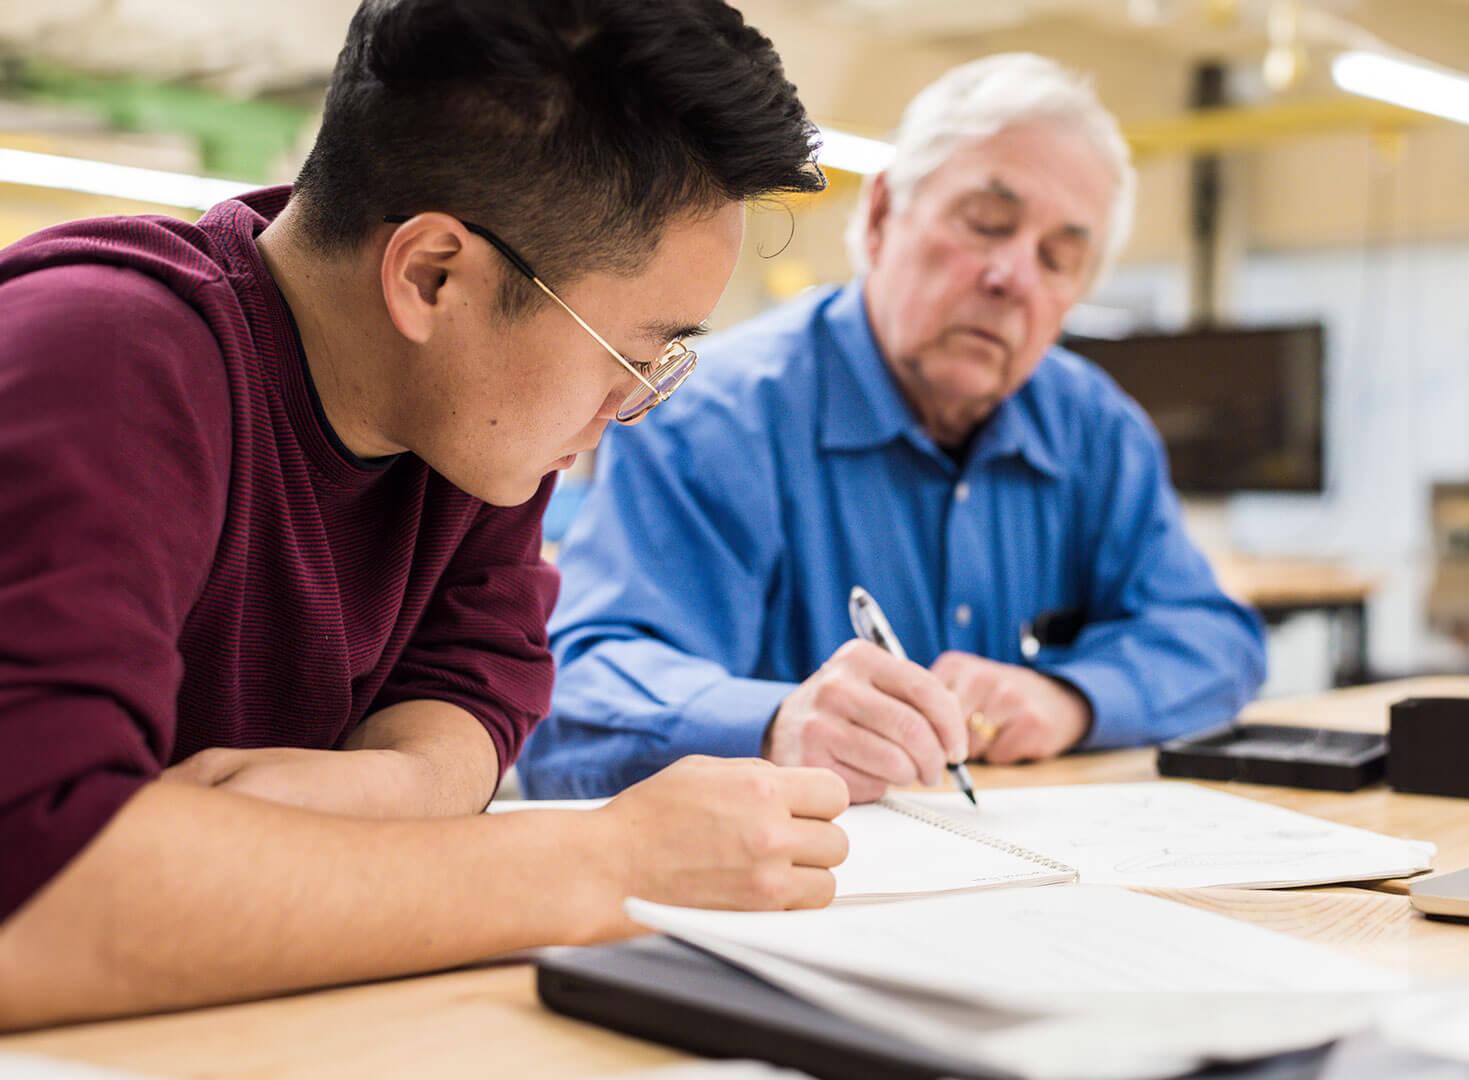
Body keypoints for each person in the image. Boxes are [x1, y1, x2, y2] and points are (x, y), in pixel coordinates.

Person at [0, 0, 851, 1032]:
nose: (628, 405)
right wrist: (606, 862)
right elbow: (42, 898)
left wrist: (394, 790)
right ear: (432, 276)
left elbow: (475, 683)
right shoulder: (101, 357)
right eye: (630, 354)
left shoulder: (464, 412)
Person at [520, 53, 1268, 805]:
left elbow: (1215, 641)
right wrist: (779, 724)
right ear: (880, 217)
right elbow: (579, 695)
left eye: (1058, 257)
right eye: (986, 223)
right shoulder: (712, 417)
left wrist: (1071, 699)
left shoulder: (1095, 431)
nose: (1013, 277)